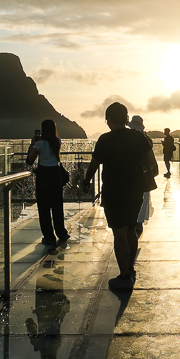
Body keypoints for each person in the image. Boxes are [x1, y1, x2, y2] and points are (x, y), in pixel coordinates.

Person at [83, 102, 157, 290]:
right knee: (131, 229)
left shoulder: (104, 140)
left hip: (113, 192)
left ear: (107, 120)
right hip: (135, 190)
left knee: (119, 233)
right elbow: (152, 164)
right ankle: (130, 268)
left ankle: (124, 276)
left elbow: (94, 165)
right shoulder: (139, 137)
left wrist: (85, 182)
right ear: (126, 118)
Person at [27, 119, 70, 245]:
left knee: (44, 207)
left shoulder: (40, 144)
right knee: (57, 205)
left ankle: (49, 236)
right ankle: (62, 233)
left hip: (44, 175)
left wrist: (32, 144)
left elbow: (30, 159)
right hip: (56, 175)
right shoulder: (57, 141)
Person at [127, 115, 154, 237]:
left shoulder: (126, 138)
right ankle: (139, 222)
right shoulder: (146, 139)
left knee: (133, 198)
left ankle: (133, 221)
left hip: (130, 173)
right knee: (144, 197)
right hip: (143, 173)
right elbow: (151, 158)